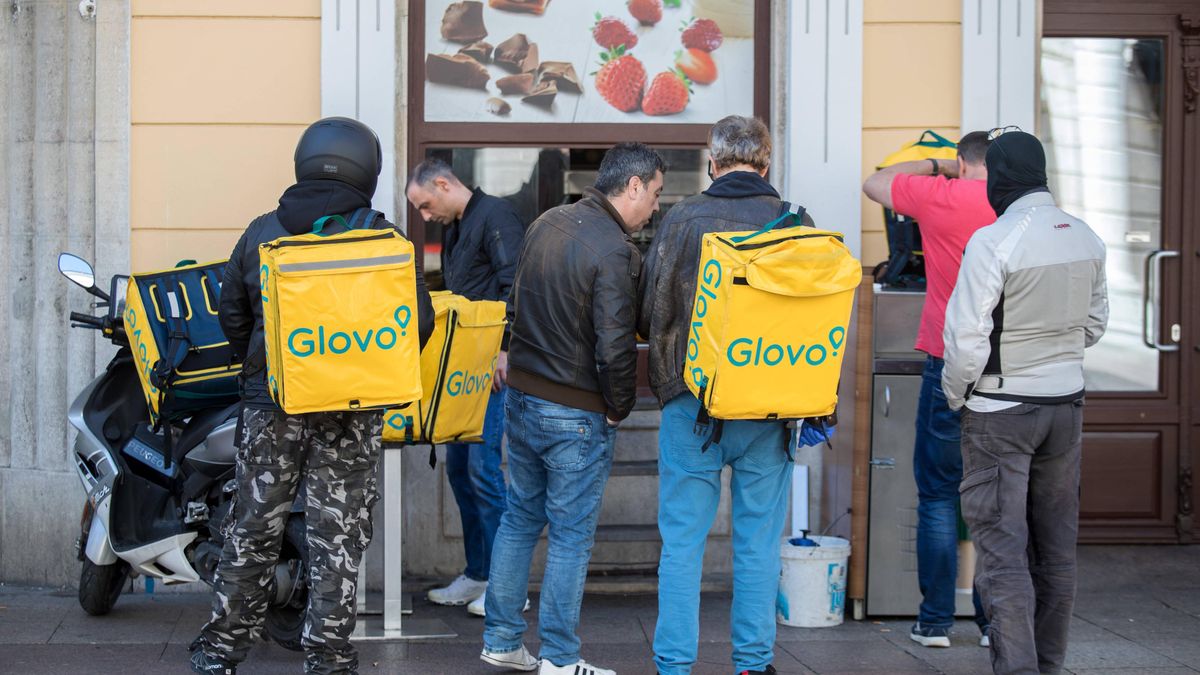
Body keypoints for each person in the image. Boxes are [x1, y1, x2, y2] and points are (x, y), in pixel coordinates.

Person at [189, 117, 434, 675]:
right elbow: (416, 322)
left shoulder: (261, 231)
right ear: (366, 170)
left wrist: (265, 366)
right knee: (338, 533)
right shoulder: (383, 236)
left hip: (273, 403)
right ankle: (328, 656)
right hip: (352, 407)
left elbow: (232, 314)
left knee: (253, 527)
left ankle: (221, 651)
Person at [639, 115, 822, 675]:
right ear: (767, 165)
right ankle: (752, 662)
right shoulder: (797, 222)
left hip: (693, 404)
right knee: (758, 546)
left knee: (683, 546)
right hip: (770, 404)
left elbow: (652, 311)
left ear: (712, 164)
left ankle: (673, 666)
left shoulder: (683, 219)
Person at [480, 142, 664, 675]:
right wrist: (619, 407)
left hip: (524, 397)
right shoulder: (614, 250)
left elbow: (516, 304)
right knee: (569, 537)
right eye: (653, 194)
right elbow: (616, 345)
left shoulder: (546, 222)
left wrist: (512, 354)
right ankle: (560, 659)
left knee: (518, 520)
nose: (654, 206)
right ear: (632, 186)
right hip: (576, 411)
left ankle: (502, 641)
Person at [942, 130, 1108, 674]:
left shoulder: (995, 240)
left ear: (999, 178)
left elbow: (966, 337)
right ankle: (1049, 667)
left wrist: (957, 394)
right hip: (1066, 406)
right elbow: (1096, 324)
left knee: (1003, 555)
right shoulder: (1085, 237)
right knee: (1056, 553)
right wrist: (1056, 357)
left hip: (999, 410)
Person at [862, 131, 995, 648]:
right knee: (995, 497)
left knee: (939, 493)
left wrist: (939, 164)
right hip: (1006, 368)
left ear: (964, 163)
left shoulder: (943, 194)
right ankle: (992, 623)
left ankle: (936, 621)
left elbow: (876, 182)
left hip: (946, 358)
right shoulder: (1016, 205)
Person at [405, 159, 525, 617]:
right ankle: (477, 573)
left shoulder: (496, 216)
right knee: (460, 470)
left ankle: (506, 585)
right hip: (465, 370)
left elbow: (517, 285)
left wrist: (505, 349)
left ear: (442, 183)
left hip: (492, 369)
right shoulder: (457, 226)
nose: (424, 215)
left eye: (425, 204)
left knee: (484, 473)